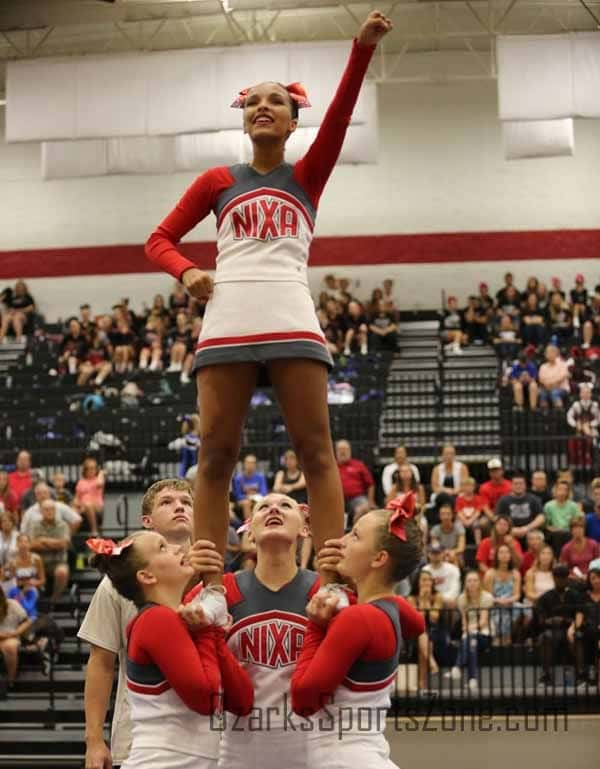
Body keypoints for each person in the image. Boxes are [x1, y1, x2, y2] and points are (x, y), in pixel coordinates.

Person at [144, 12, 393, 615]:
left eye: (276, 100)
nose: (262, 107)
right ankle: (207, 590)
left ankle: (330, 579)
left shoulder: (306, 174)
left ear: (291, 119)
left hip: (292, 320)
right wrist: (189, 272)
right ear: (243, 115)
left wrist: (360, 50)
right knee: (215, 456)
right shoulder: (216, 180)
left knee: (316, 449)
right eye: (253, 100)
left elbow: (338, 116)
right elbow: (158, 239)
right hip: (227, 324)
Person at [182, 492, 423, 769]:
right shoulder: (219, 592)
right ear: (248, 532)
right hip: (240, 754)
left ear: (306, 528)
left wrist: (357, 584)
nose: (274, 509)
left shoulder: (329, 593)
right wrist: (189, 579)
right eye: (262, 508)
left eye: (285, 505)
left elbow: (408, 622)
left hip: (312, 754)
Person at [87, 532, 253, 769]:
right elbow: (207, 700)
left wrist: (212, 634)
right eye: (163, 548)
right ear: (147, 576)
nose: (177, 549)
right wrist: (207, 633)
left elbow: (242, 702)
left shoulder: (176, 621)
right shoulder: (156, 620)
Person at [79, 479, 213, 769]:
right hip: (141, 739)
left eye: (186, 502)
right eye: (167, 502)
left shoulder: (216, 577)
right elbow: (101, 661)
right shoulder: (115, 584)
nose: (179, 506)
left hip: (211, 740)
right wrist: (93, 739)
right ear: (147, 521)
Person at [289, 495, 424, 768]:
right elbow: (417, 624)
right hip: (368, 750)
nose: (341, 541)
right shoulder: (393, 607)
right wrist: (353, 585)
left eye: (355, 536)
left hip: (341, 757)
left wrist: (315, 625)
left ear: (379, 559)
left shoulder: (357, 618)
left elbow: (303, 700)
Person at [536, 564, 584, 685]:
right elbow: (540, 620)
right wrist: (551, 621)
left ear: (568, 578)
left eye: (563, 577)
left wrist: (569, 624)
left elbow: (579, 615)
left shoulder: (575, 595)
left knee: (579, 636)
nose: (561, 580)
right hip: (553, 629)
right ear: (553, 578)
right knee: (546, 637)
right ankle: (545, 676)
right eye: (558, 577)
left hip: (571, 629)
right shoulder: (545, 597)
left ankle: (581, 676)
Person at [447, 571, 494, 693]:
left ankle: (458, 666)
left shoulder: (487, 597)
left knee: (471, 639)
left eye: (475, 580)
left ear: (479, 583)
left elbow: (483, 621)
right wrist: (466, 629)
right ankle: (472, 679)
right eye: (469, 581)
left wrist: (470, 629)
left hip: (484, 634)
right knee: (472, 644)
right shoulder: (462, 599)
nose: (472, 583)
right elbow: (463, 621)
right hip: (469, 636)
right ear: (465, 583)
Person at [408, 570, 452, 687]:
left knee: (425, 643)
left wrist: (427, 601)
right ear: (417, 582)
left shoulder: (437, 596)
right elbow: (419, 621)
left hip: (437, 631)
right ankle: (432, 663)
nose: (427, 583)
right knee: (422, 636)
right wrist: (422, 599)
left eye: (429, 580)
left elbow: (434, 618)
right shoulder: (412, 599)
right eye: (423, 580)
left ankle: (422, 683)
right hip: (417, 633)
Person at [29, 499, 71, 604]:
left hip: (57, 562)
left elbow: (63, 545)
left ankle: (54, 600)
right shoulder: (35, 525)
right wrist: (54, 544)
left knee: (62, 572)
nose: (49, 511)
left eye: (52, 509)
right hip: (38, 563)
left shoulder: (62, 525)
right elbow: (32, 545)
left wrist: (43, 540)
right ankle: (34, 602)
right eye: (46, 509)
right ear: (41, 511)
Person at [482, 544, 522, 645]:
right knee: (501, 613)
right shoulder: (490, 573)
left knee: (525, 611)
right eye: (501, 552)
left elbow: (517, 595)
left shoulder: (515, 573)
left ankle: (512, 639)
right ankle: (499, 640)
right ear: (497, 556)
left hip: (511, 603)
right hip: (494, 604)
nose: (504, 555)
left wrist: (508, 601)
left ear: (510, 555)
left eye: (507, 552)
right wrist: (499, 601)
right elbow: (488, 596)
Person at [496, 472, 545, 543]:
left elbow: (541, 517)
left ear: (525, 485)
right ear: (511, 485)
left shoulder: (533, 499)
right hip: (509, 531)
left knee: (535, 538)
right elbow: (497, 518)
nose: (518, 486)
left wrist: (527, 528)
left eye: (521, 483)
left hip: (530, 530)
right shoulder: (503, 500)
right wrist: (509, 529)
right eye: (516, 484)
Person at [0, 584, 33, 691]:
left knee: (9, 646)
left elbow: (27, 622)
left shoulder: (12, 604)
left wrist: (15, 633)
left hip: (11, 637)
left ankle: (11, 680)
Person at [336, 439, 375, 524]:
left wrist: (370, 501)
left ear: (350, 451)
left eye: (345, 449)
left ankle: (358, 533)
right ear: (336, 451)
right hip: (336, 498)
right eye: (340, 449)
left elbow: (370, 484)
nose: (343, 452)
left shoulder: (358, 465)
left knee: (364, 508)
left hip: (356, 498)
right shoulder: (332, 466)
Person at [7, 533, 45, 619]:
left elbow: (43, 580)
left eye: (26, 542)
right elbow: (12, 581)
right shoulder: (13, 562)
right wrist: (21, 586)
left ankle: (31, 615)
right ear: (17, 544)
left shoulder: (36, 559)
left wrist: (33, 583)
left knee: (31, 592)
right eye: (21, 542)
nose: (23, 544)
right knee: (12, 592)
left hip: (34, 587)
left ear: (30, 544)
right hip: (19, 588)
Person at [544, 479, 581, 554]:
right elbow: (546, 525)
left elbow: (577, 523)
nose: (562, 492)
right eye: (560, 489)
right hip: (554, 533)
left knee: (567, 534)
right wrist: (555, 530)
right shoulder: (548, 506)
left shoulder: (573, 506)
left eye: (565, 490)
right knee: (557, 535)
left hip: (569, 532)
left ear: (568, 492)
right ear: (555, 490)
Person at [422, 543, 461, 608]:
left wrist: (438, 599)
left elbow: (455, 590)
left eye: (438, 553)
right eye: (433, 553)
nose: (435, 555)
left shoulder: (453, 569)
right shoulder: (424, 570)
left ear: (443, 553)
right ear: (428, 554)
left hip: (447, 603)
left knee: (452, 604)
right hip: (429, 602)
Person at [231, 454, 269, 521]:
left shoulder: (260, 477)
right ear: (244, 464)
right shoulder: (238, 478)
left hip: (257, 499)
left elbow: (264, 492)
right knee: (246, 503)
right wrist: (248, 497)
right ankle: (248, 527)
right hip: (242, 501)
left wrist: (253, 497)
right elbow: (237, 495)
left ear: (255, 465)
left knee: (261, 502)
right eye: (248, 463)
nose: (250, 465)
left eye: (252, 463)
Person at [74, 458, 106, 536]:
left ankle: (94, 531)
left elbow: (100, 483)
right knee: (71, 509)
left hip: (96, 506)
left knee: (88, 505)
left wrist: (101, 473)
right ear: (85, 470)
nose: (92, 470)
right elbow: (77, 497)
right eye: (89, 468)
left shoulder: (98, 479)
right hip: (82, 506)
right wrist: (76, 505)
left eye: (94, 468)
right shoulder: (81, 482)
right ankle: (71, 535)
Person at [455, 477, 491, 544]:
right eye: (466, 485)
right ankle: (459, 544)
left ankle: (478, 544)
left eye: (470, 485)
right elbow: (459, 512)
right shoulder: (459, 499)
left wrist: (470, 521)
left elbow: (478, 512)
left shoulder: (478, 498)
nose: (468, 488)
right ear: (463, 487)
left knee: (477, 525)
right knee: (457, 525)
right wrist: (465, 521)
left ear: (474, 487)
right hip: (462, 519)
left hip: (474, 519)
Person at [430, 502, 465, 567]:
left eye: (448, 514)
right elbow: (435, 546)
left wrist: (453, 552)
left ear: (452, 515)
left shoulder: (459, 527)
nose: (445, 517)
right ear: (439, 516)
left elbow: (461, 547)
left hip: (456, 554)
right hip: (441, 554)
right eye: (443, 514)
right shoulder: (435, 530)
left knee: (453, 557)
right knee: (438, 556)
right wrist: (445, 552)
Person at [0, 279, 36, 343]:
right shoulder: (12, 297)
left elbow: (32, 308)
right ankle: (1, 338)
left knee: (16, 318)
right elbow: (4, 303)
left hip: (23, 315)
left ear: (24, 288)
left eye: (21, 287)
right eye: (18, 287)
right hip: (12, 314)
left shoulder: (27, 297)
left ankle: (18, 339)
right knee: (5, 318)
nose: (20, 289)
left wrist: (18, 310)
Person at [538, 344, 570, 409]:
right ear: (545, 355)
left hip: (561, 389)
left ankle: (559, 413)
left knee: (554, 392)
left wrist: (551, 384)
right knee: (542, 393)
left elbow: (561, 378)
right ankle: (545, 413)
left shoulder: (562, 364)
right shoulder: (543, 367)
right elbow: (541, 379)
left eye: (552, 352)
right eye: (548, 353)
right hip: (546, 388)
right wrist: (548, 384)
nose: (550, 354)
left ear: (557, 354)